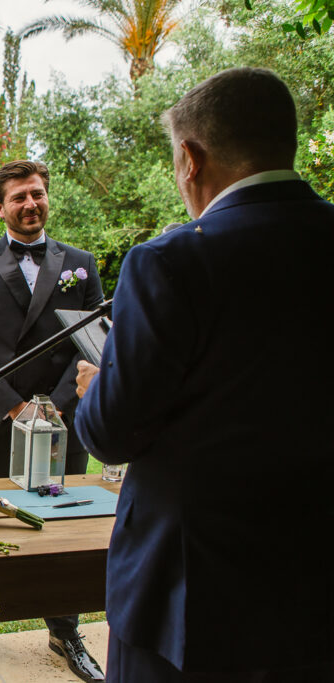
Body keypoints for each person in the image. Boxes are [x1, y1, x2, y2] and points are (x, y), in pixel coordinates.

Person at [74, 67, 334, 682]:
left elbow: (110, 433)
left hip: (190, 593)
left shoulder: (172, 261)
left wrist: (95, 388)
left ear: (190, 158)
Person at [0, 159, 105, 680]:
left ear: (46, 197)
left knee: (65, 529)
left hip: (63, 419)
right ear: (0, 207)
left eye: (36, 193)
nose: (30, 204)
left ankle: (64, 631)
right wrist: (16, 407)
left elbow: (91, 343)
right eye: (18, 197)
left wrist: (54, 407)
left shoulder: (80, 263)